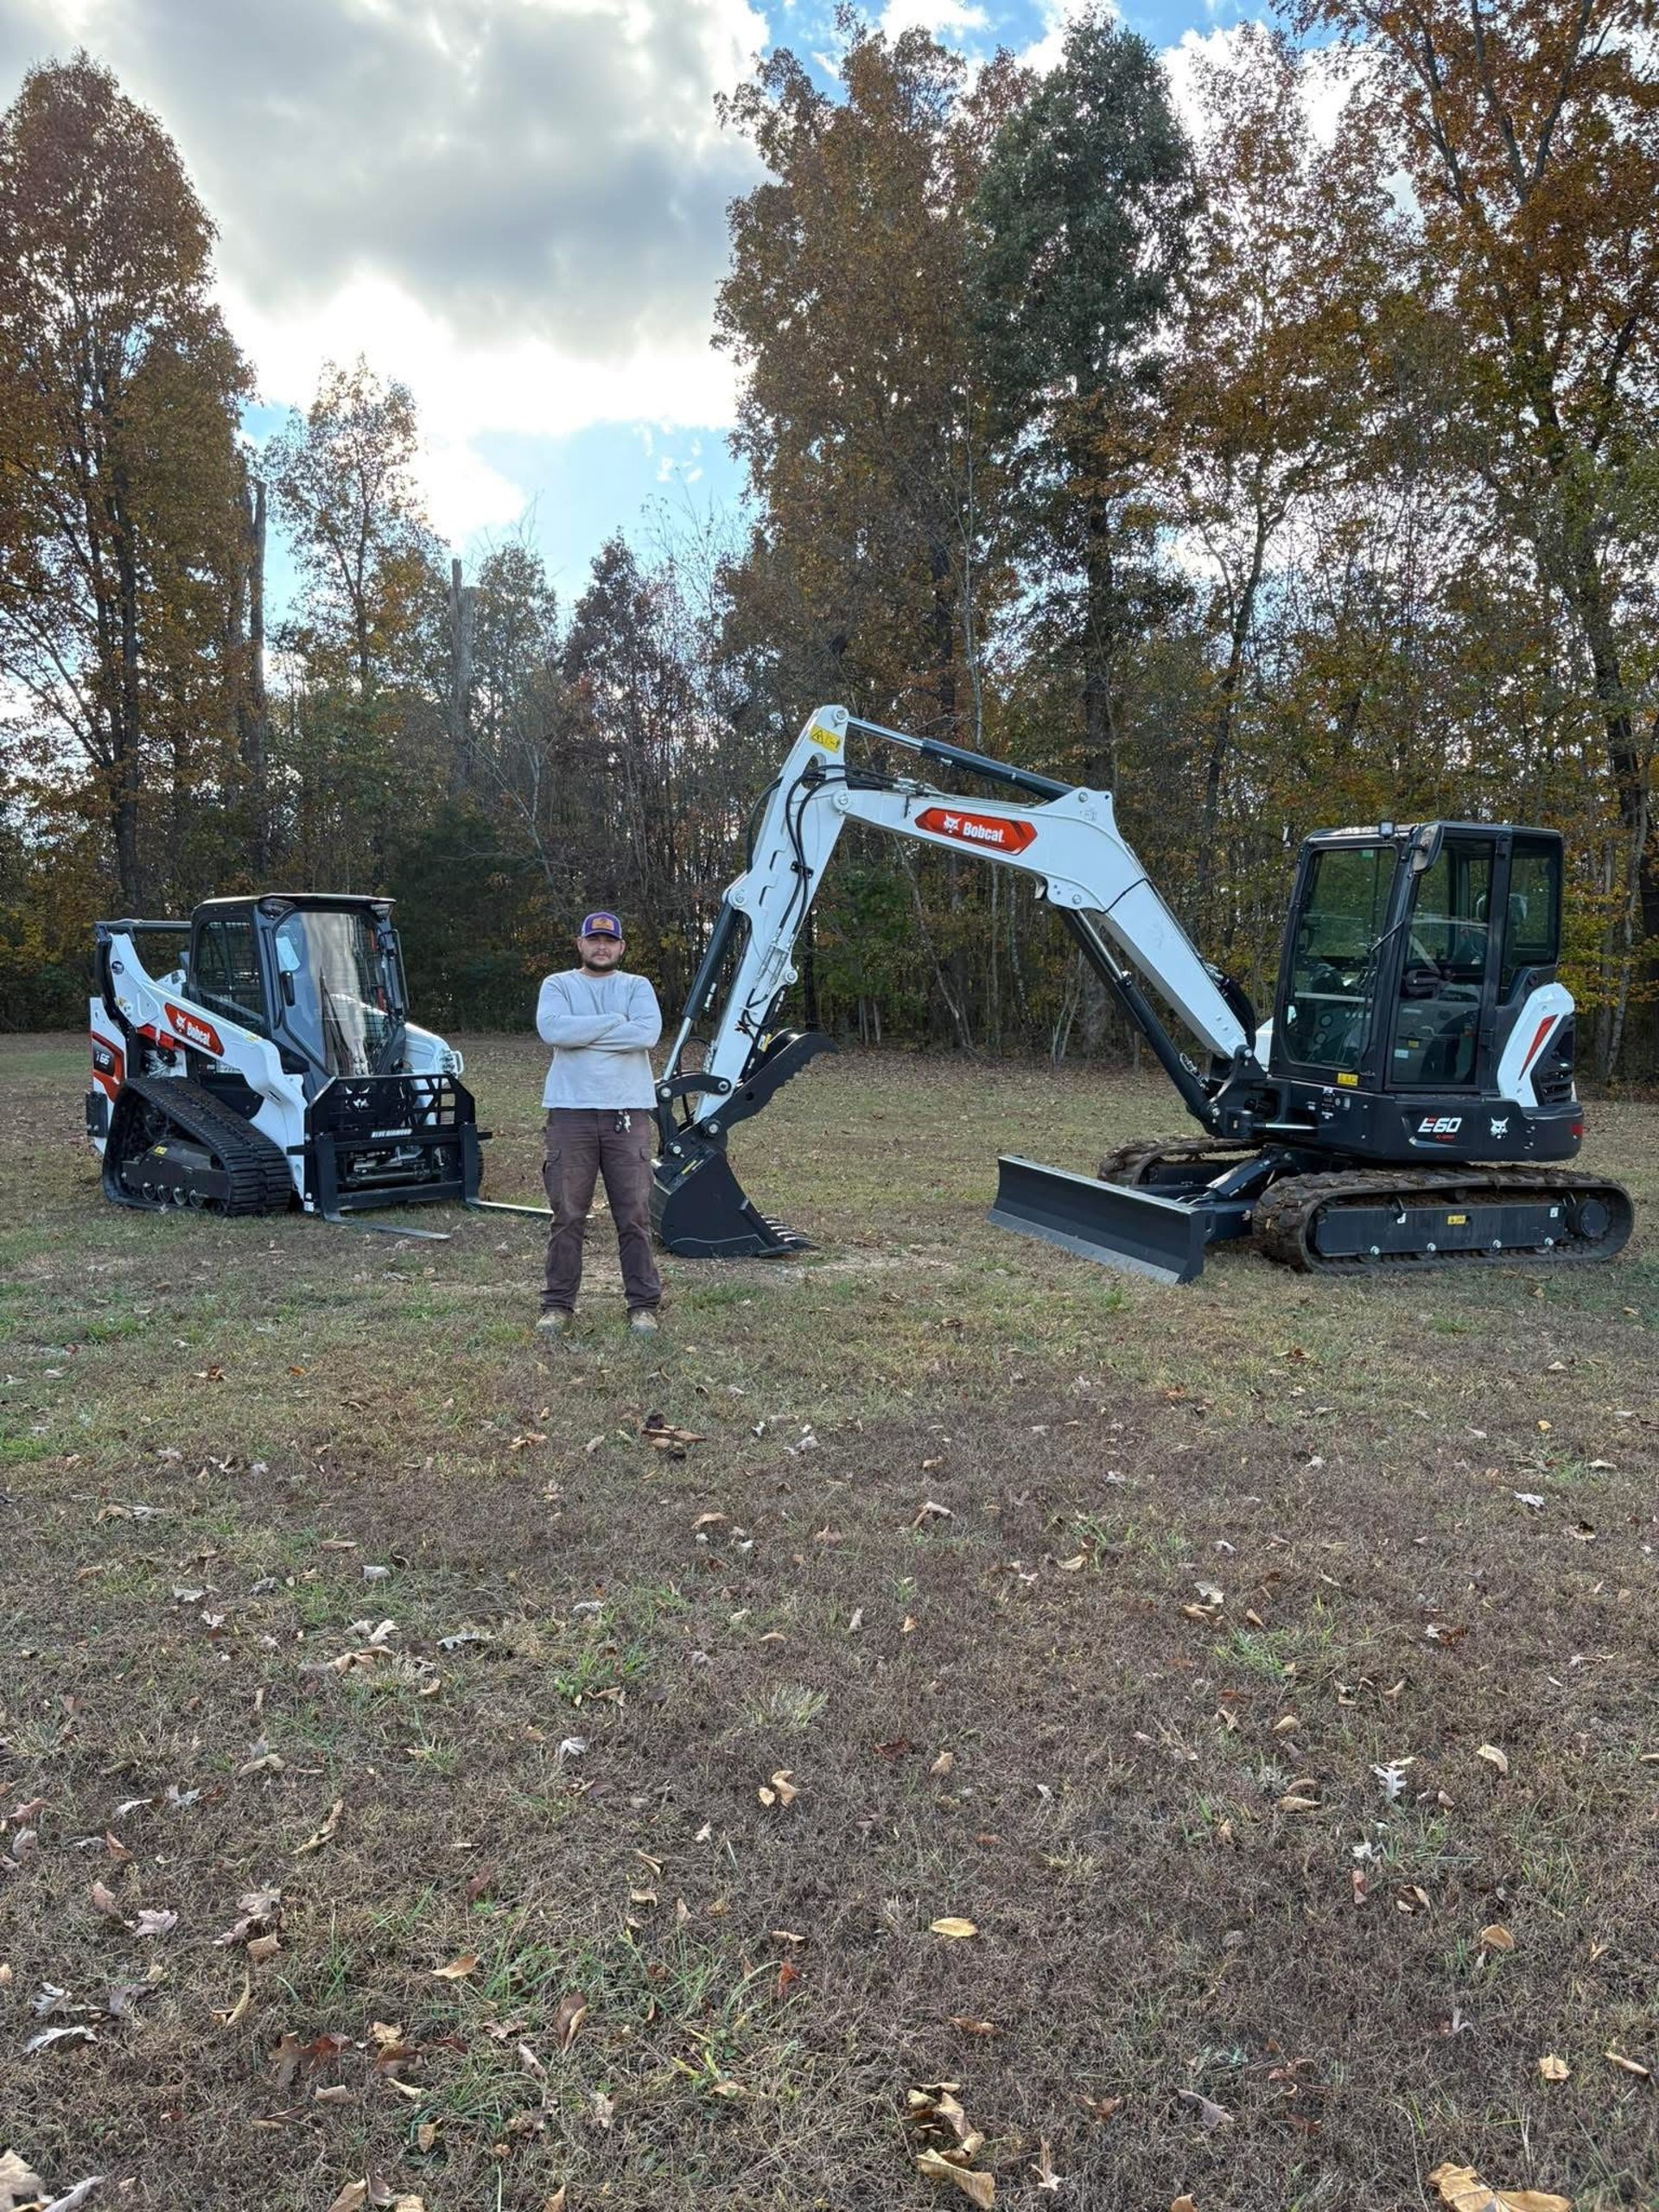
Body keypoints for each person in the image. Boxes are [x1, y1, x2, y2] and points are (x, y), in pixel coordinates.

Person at [535, 912, 664, 1336]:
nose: (602, 946)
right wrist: (613, 1023)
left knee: (634, 1214)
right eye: (594, 939)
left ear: (621, 947)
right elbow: (553, 1031)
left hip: (628, 1112)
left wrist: (581, 1035)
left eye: (609, 940)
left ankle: (642, 1305)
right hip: (570, 1112)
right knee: (568, 1214)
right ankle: (558, 1305)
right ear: (581, 944)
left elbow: (646, 1035)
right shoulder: (558, 985)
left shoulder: (637, 986)